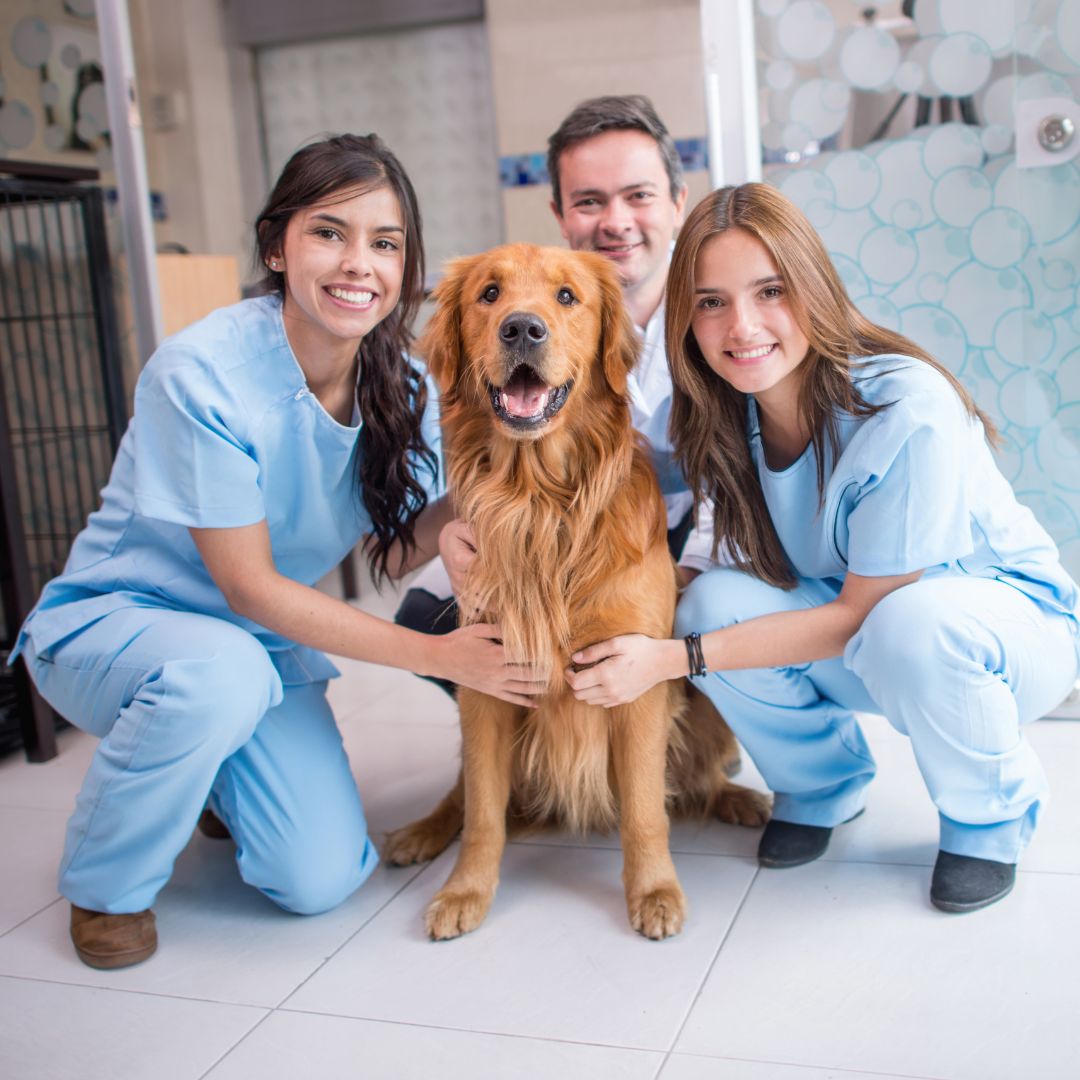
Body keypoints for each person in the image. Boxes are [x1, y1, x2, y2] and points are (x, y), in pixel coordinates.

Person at [10, 133, 545, 970]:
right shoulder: (200, 374)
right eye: (329, 232)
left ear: (406, 269)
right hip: (123, 627)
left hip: (253, 649)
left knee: (319, 879)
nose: (357, 263)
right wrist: (441, 654)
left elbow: (391, 550)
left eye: (385, 243)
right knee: (214, 679)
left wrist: (458, 519)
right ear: (276, 246)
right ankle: (106, 886)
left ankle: (210, 769)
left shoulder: (404, 385)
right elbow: (252, 588)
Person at [563, 182, 1080, 914]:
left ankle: (989, 816)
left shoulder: (907, 405)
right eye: (710, 301)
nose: (740, 326)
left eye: (769, 290)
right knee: (709, 601)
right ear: (686, 319)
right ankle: (819, 785)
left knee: (910, 621)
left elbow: (861, 613)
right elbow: (617, 475)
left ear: (812, 285)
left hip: (1002, 640)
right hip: (873, 640)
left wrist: (671, 660)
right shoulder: (725, 413)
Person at [396, 94, 715, 672]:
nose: (616, 221)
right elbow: (480, 452)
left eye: (638, 196)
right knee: (425, 615)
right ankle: (541, 741)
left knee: (707, 612)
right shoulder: (526, 318)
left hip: (679, 544)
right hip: (554, 534)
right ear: (561, 214)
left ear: (676, 202)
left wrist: (670, 586)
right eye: (590, 201)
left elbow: (745, 486)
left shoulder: (723, 324)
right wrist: (456, 526)